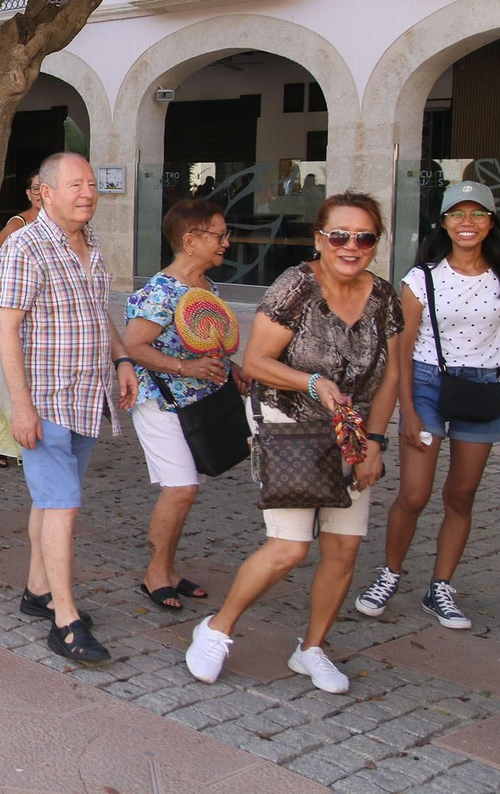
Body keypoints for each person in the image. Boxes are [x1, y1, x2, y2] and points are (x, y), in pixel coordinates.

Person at [186, 192, 399, 694]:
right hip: (290, 422)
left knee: (344, 549)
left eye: (364, 237)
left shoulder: (384, 297)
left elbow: (391, 376)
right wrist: (309, 382)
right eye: (339, 236)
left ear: (376, 243)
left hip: (352, 431)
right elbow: (258, 361)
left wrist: (376, 442)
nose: (351, 246)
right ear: (320, 238)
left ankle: (313, 649)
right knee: (289, 547)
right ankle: (217, 629)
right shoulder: (296, 285)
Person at [355, 181, 500, 631]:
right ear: (444, 222)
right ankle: (389, 574)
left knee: (462, 494)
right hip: (427, 385)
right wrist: (408, 413)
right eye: (457, 214)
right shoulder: (422, 278)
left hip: (480, 389)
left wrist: (499, 351)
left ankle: (441, 587)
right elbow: (403, 352)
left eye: (477, 215)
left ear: (491, 222)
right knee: (415, 493)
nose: (467, 224)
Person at [0, 152, 139, 665]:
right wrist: (22, 407)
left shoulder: (91, 244)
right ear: (45, 192)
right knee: (63, 505)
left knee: (51, 500)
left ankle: (37, 589)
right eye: (75, 184)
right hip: (47, 398)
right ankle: (65, 619)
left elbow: (98, 314)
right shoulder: (25, 247)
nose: (87, 193)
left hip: (87, 396)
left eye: (92, 184)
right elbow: (7, 330)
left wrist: (121, 359)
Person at [123, 199, 247, 611]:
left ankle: (169, 570)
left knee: (187, 492)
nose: (226, 242)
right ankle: (155, 574)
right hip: (160, 401)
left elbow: (207, 340)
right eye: (219, 234)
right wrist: (186, 367)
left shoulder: (206, 287)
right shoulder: (162, 291)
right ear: (190, 240)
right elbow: (133, 346)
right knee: (181, 489)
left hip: (198, 402)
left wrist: (234, 368)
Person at [0, 169, 42, 278]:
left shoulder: (60, 221)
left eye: (45, 188)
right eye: (36, 188)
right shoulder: (19, 223)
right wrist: (4, 286)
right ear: (28, 194)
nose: (41, 193)